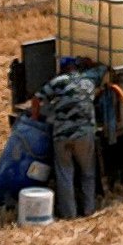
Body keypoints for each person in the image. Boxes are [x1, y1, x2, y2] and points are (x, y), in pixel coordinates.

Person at [34, 56, 104, 219]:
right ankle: (88, 210)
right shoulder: (88, 81)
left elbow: (37, 98)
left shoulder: (57, 82)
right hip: (84, 135)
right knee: (87, 173)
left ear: (62, 68)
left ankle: (69, 214)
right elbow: (103, 68)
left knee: (65, 173)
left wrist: (35, 119)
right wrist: (89, 62)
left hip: (61, 135)